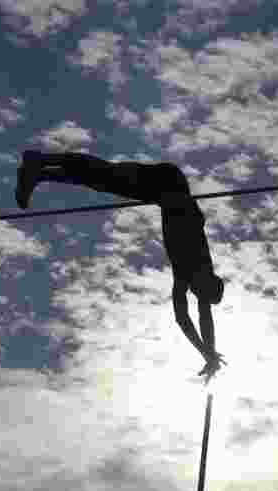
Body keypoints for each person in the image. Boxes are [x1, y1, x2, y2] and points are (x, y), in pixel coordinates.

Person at [15, 150, 227, 382]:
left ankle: (41, 174)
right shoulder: (197, 257)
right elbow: (195, 317)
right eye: (198, 292)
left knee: (100, 181)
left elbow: (190, 318)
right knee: (105, 174)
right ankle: (40, 160)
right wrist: (207, 351)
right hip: (166, 181)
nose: (194, 294)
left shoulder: (186, 278)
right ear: (206, 279)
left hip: (160, 192)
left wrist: (208, 353)